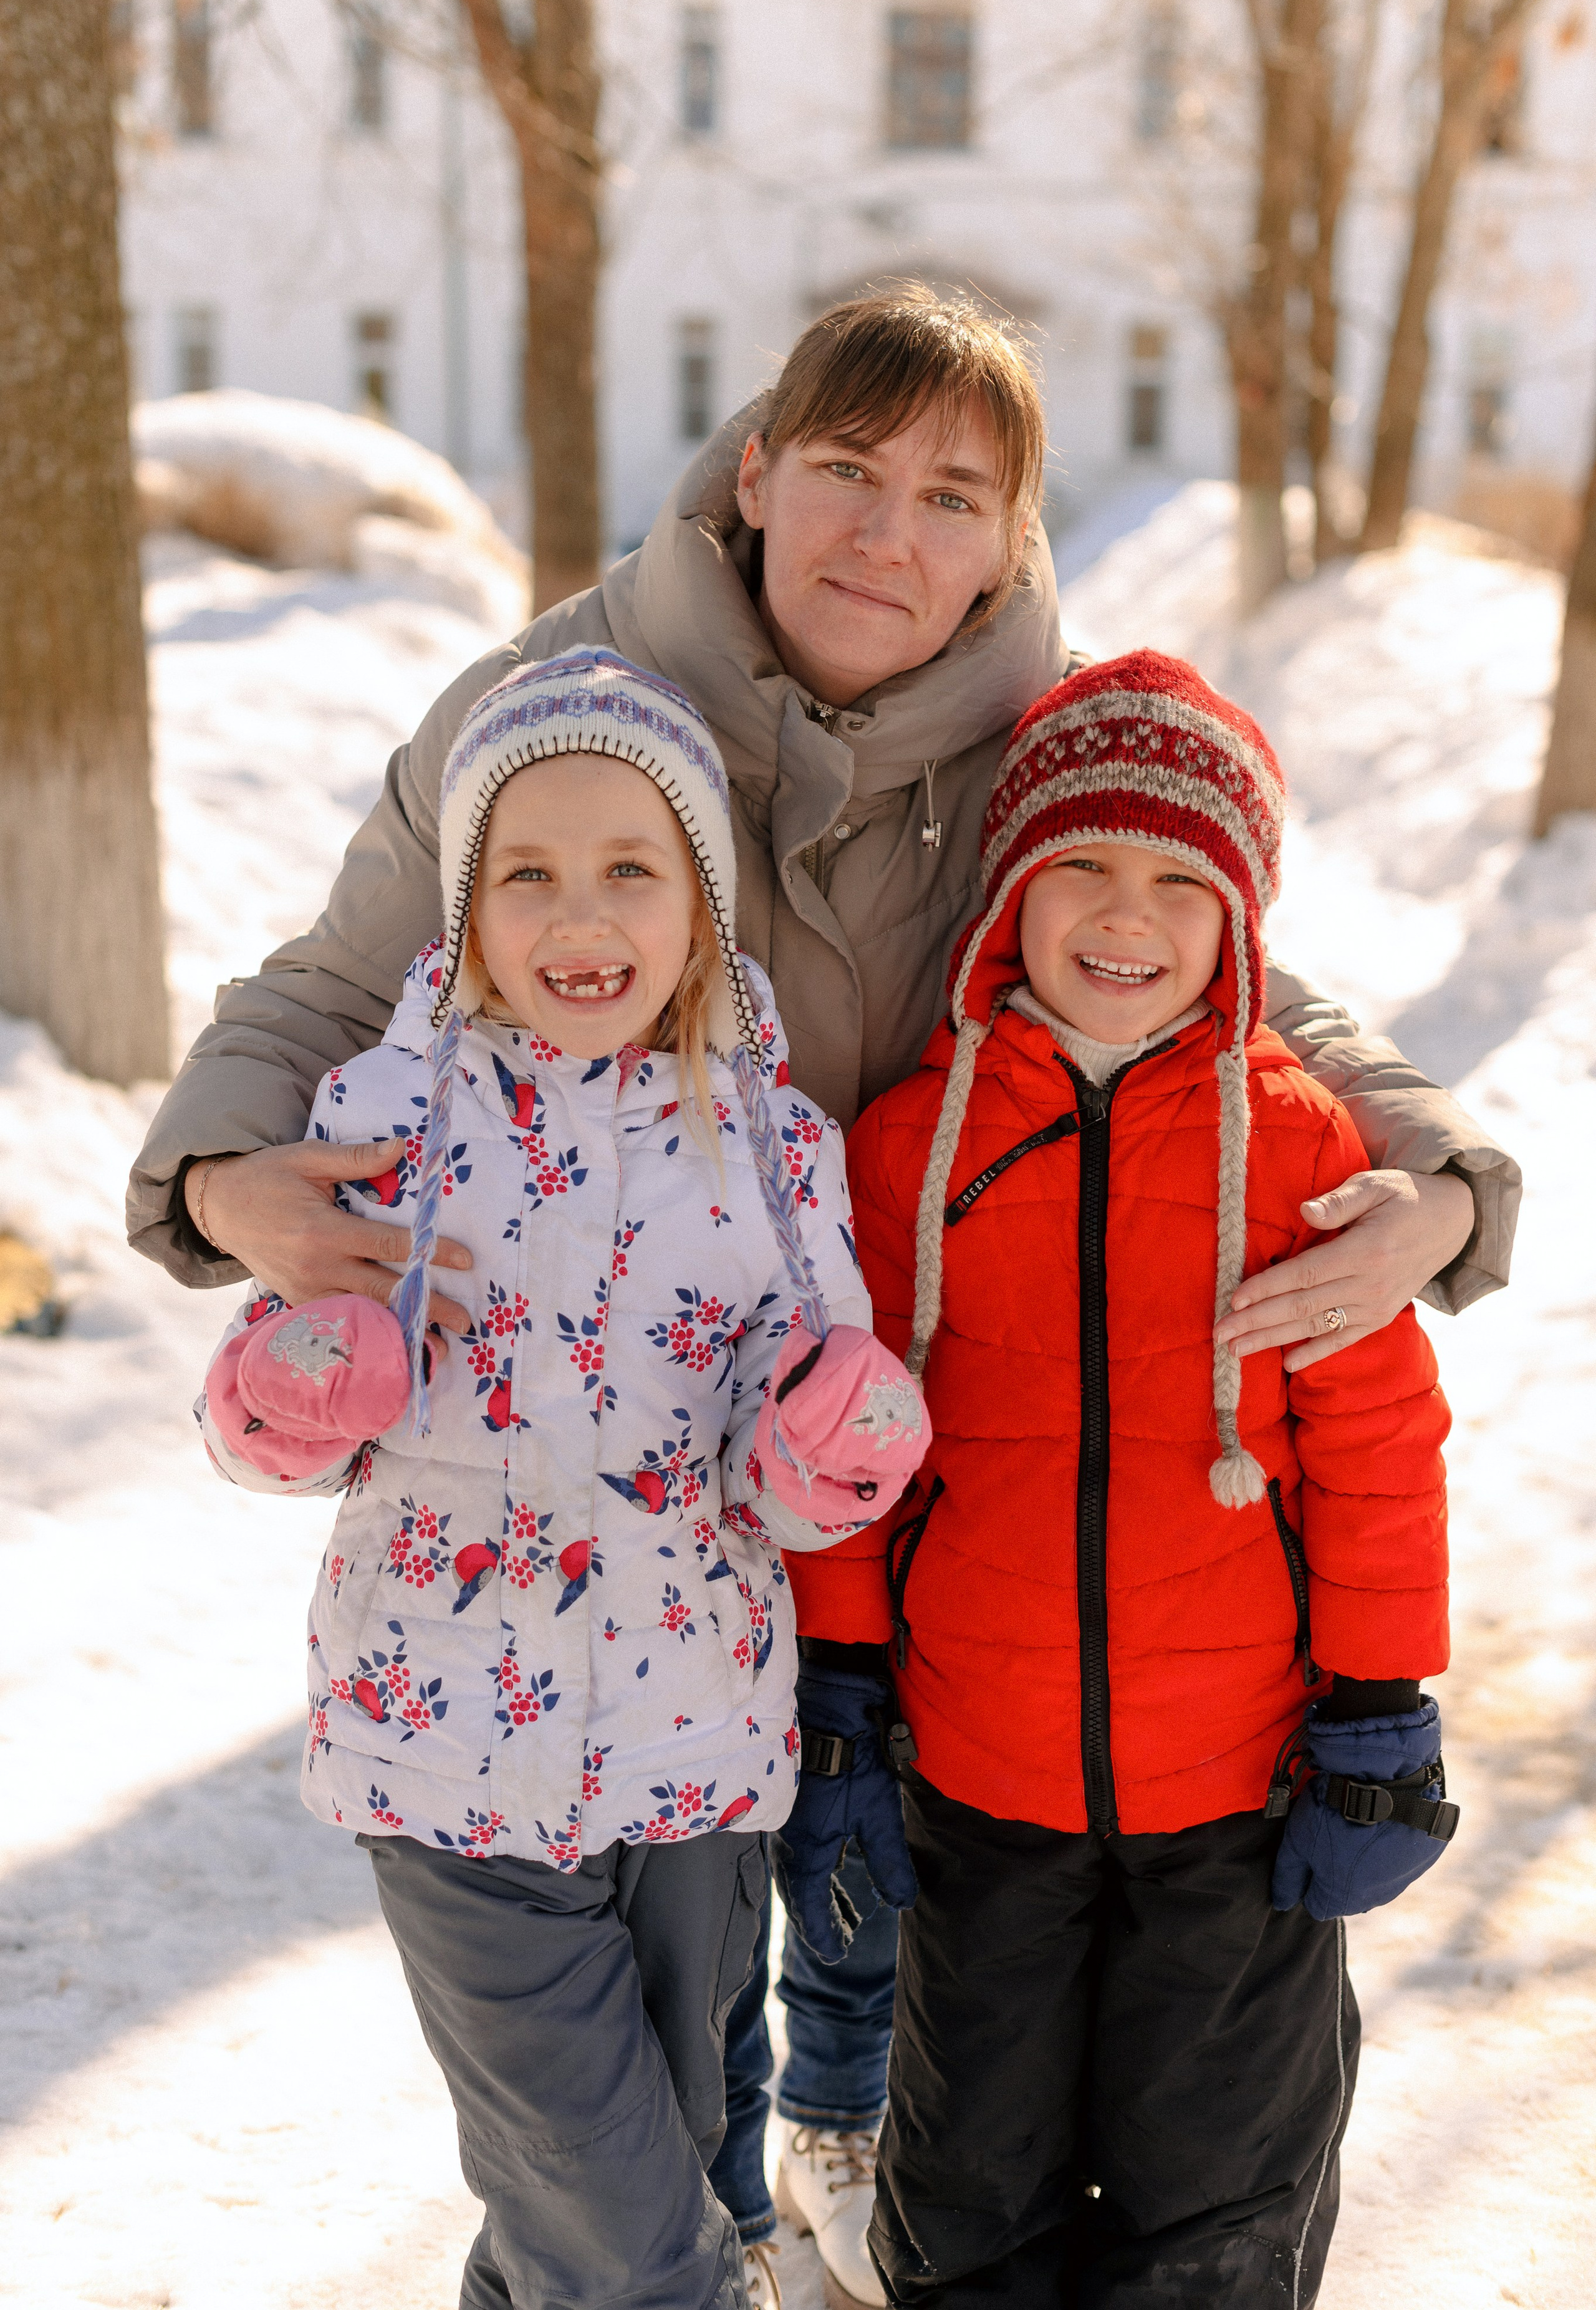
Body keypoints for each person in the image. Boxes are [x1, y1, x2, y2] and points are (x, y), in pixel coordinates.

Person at [129, 291, 1514, 2304]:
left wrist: (1439, 1179)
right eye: (851, 471)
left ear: (1011, 537)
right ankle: (691, 2238)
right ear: (760, 473)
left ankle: (828, 2155)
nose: (890, 533)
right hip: (631, 1413)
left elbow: (1222, 969)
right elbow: (339, 982)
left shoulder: (1043, 737)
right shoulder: (564, 709)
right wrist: (211, 1176)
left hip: (904, 1409)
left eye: (954, 495)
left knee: (862, 1898)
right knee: (665, 2032)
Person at [195, 650, 930, 2310]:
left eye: (628, 870)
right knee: (630, 2240)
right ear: (466, 909)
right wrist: (297, 1387)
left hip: (695, 1748)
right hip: (442, 1748)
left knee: (611, 2183)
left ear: (702, 904)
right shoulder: (383, 1121)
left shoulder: (774, 1144)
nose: (579, 917)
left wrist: (832, 1443)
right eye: (527, 874)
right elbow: (256, 1423)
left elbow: (795, 1440)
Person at [789, 650, 1457, 2308]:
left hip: (1244, 1790)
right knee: (971, 2191)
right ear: (1008, 890)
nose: (1124, 913)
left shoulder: (1303, 1148)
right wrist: (843, 1685)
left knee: (1213, 2201)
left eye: (1179, 880)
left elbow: (1376, 1447)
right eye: (1080, 861)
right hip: (978, 1780)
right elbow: (853, 1444)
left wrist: (1380, 1706)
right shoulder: (908, 1148)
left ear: (1242, 921)